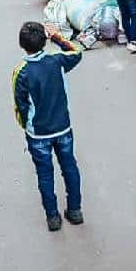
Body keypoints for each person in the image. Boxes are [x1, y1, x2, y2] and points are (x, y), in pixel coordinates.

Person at [12, 21, 84, 232]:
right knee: (69, 167)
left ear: (21, 45)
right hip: (63, 127)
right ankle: (75, 210)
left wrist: (27, 127)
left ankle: (52, 217)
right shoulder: (57, 60)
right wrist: (58, 38)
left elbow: (20, 105)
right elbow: (77, 52)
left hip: (38, 134)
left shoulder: (21, 71)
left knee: (45, 174)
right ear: (45, 40)